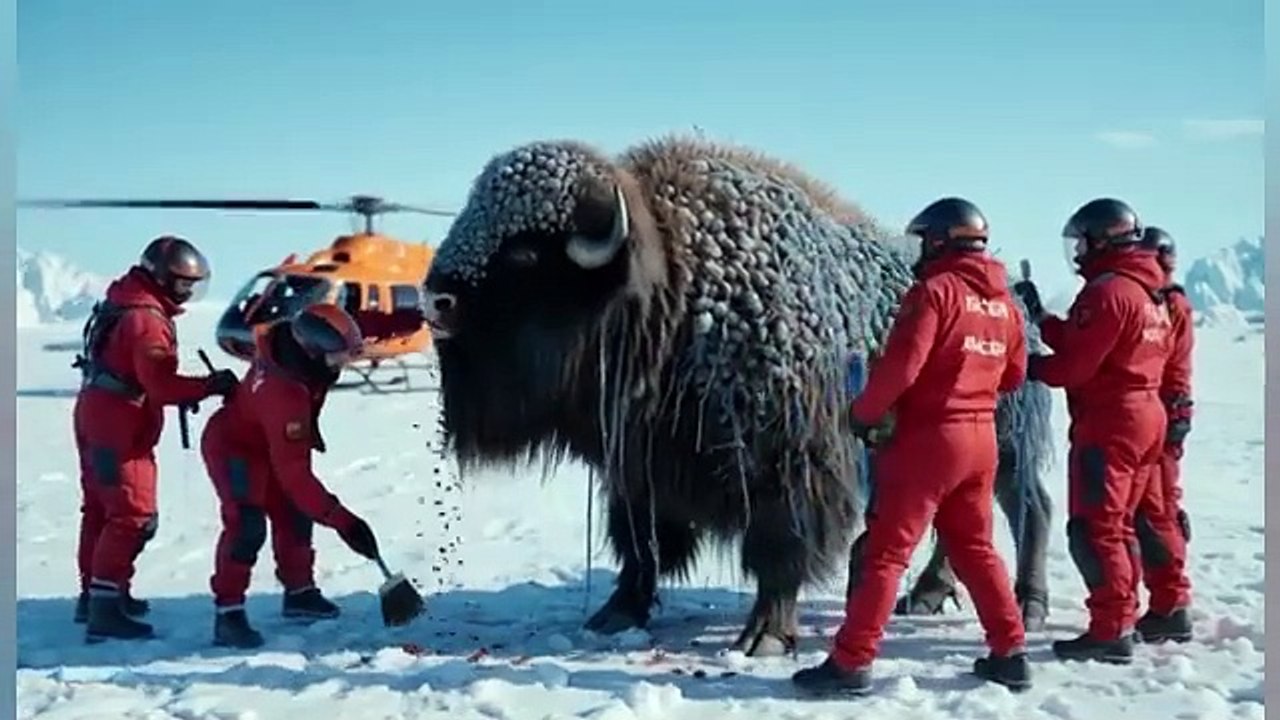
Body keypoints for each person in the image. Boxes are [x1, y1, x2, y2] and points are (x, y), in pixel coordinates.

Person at [793, 197, 1031, 697]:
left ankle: (851, 662)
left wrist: (862, 414)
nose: (918, 251)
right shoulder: (1005, 304)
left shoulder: (934, 293)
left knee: (887, 553)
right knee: (975, 547)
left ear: (940, 241)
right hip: (981, 438)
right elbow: (1014, 376)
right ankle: (1011, 652)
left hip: (928, 441)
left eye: (922, 241)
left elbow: (901, 369)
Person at [1027, 198, 1182, 664]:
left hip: (1111, 420)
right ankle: (1127, 616)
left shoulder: (1108, 291)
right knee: (1123, 524)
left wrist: (1027, 365)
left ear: (1101, 239)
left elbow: (1074, 367)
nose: (1077, 252)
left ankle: (1111, 628)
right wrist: (1046, 322)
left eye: (1081, 241)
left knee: (1097, 528)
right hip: (1146, 414)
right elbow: (1098, 342)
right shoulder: (1149, 291)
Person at [73, 236, 239, 642]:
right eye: (182, 283)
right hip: (118, 422)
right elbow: (162, 385)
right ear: (162, 278)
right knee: (133, 514)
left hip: (98, 410)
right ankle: (105, 609)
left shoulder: (124, 298)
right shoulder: (146, 320)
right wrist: (210, 386)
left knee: (101, 508)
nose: (186, 292)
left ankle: (98, 594)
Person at [200, 303, 383, 649]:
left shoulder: (295, 359)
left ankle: (299, 593)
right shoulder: (285, 393)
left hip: (268, 443)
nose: (343, 364)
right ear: (312, 352)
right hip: (234, 449)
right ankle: (229, 613)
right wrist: (345, 523)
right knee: (247, 525)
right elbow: (296, 477)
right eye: (337, 356)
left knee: (295, 515)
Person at [1132, 226, 1194, 643]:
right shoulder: (1172, 302)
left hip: (1154, 415)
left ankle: (1170, 603)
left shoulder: (1165, 304)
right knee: (1160, 511)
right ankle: (1169, 600)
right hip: (1166, 415)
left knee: (1155, 515)